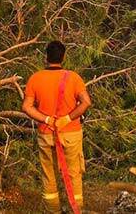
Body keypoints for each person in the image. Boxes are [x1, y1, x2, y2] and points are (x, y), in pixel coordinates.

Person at [22, 40, 92, 212]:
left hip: (46, 133)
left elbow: (26, 107)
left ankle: (53, 211)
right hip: (71, 133)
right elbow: (86, 102)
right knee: (73, 174)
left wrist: (46, 120)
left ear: (46, 57)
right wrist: (67, 118)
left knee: (49, 175)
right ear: (64, 57)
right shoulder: (74, 77)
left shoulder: (35, 78)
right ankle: (75, 209)